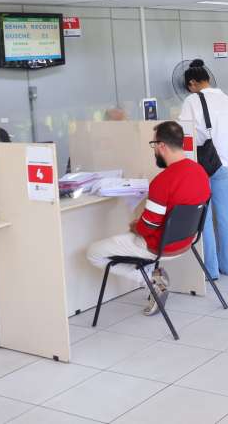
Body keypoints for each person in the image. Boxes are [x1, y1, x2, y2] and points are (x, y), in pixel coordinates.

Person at [87, 121, 210, 315]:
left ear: (162, 146)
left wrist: (136, 226)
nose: (154, 150)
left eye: (154, 145)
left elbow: (148, 226)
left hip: (159, 246)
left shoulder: (163, 181)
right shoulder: (200, 171)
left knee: (93, 252)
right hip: (187, 241)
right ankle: (153, 275)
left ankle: (152, 281)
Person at [178, 59, 228, 279]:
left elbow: (184, 133)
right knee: (224, 214)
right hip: (222, 163)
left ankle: (211, 270)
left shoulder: (191, 100)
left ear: (192, 83)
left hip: (201, 166)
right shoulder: (227, 99)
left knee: (203, 217)